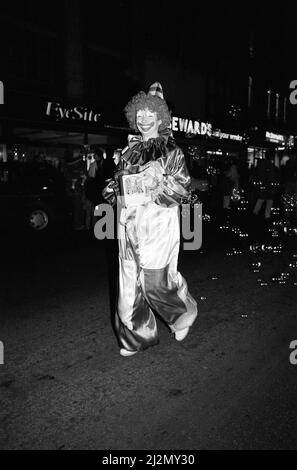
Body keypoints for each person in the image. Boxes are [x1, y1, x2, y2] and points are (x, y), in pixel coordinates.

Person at [102, 82, 198, 357]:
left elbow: (182, 189)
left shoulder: (171, 151)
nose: (144, 119)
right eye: (139, 114)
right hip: (128, 223)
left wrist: (158, 182)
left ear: (160, 117)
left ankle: (182, 315)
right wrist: (116, 186)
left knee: (155, 280)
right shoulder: (128, 150)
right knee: (129, 283)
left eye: (150, 114)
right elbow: (115, 187)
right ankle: (135, 337)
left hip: (158, 222)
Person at [252, 150, 279, 219]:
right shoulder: (268, 164)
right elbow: (269, 175)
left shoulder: (264, 163)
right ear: (271, 156)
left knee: (262, 199)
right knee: (267, 199)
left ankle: (256, 212)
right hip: (267, 184)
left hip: (265, 184)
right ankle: (266, 214)